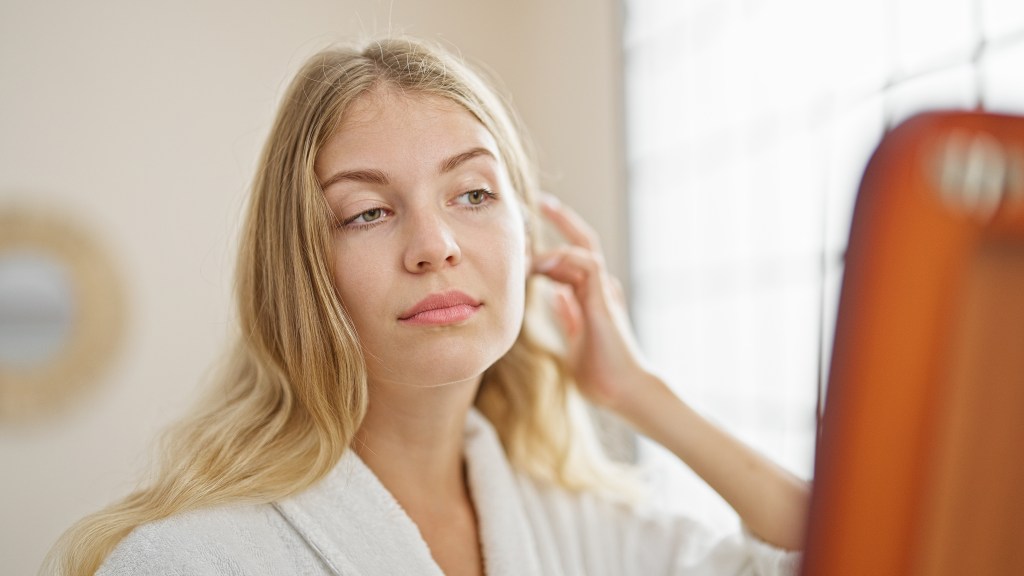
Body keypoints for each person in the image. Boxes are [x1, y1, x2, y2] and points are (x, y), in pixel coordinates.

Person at [45, 36, 809, 575]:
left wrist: (641, 394)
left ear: (529, 229)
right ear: (303, 266)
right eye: (369, 212)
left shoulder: (586, 533)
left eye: (473, 194)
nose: (434, 244)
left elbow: (849, 555)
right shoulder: (188, 560)